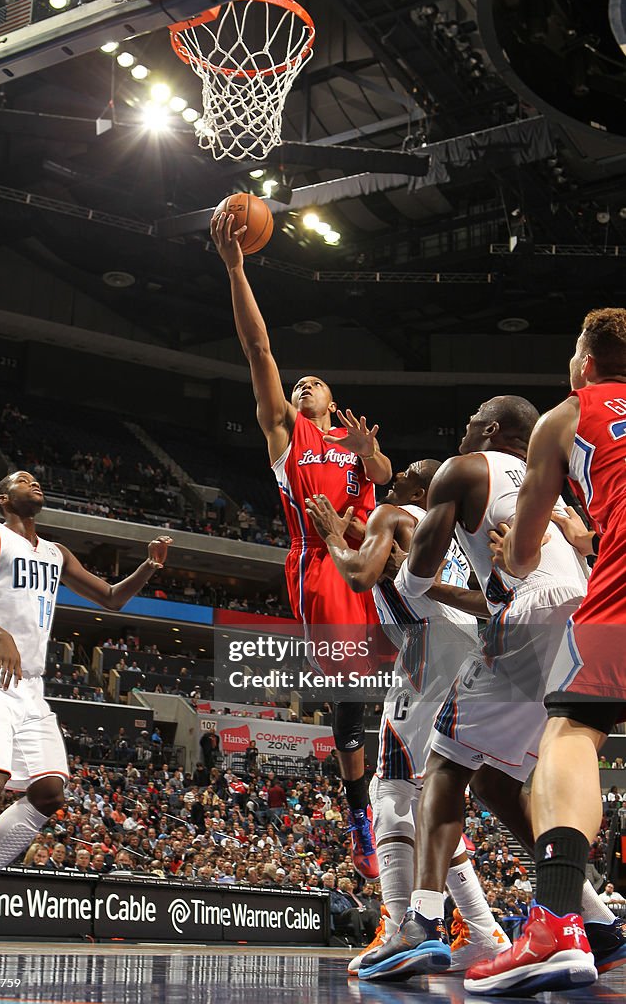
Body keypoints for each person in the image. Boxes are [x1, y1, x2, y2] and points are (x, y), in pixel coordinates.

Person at [358, 396, 618, 982]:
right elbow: (505, 590)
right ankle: (593, 921)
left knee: (443, 767)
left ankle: (420, 922)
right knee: (500, 782)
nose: (466, 426)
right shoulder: (551, 487)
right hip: (581, 622)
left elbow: (420, 564)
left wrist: (410, 581)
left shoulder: (467, 468)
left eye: (474, 418)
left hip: (529, 619)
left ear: (491, 430)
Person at [212, 211, 392, 879]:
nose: (301, 384)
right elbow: (259, 351)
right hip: (319, 568)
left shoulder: (354, 446)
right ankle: (358, 816)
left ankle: (383, 796)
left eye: (312, 381)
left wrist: (373, 464)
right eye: (297, 382)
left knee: (395, 689)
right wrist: (235, 269)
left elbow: (382, 482)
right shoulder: (287, 434)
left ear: (333, 397)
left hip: (372, 567)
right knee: (351, 700)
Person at [0, 470, 173, 959]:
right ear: (5, 498)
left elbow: (110, 597)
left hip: (30, 685)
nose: (36, 482)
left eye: (37, 479)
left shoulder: (55, 553)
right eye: (23, 480)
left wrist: (148, 568)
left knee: (49, 792)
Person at [467, 309, 626, 994]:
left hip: (615, 602)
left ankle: (556, 926)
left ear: (585, 361)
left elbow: (525, 546)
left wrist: (516, 555)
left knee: (568, 735)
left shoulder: (566, 415)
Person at [306, 462, 510, 974]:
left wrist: (334, 537)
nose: (395, 477)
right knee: (431, 800)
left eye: (407, 475)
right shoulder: (456, 537)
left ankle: (401, 927)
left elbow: (359, 574)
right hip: (475, 654)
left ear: (422, 489)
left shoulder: (391, 513)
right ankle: (483, 930)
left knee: (392, 789)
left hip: (427, 651)